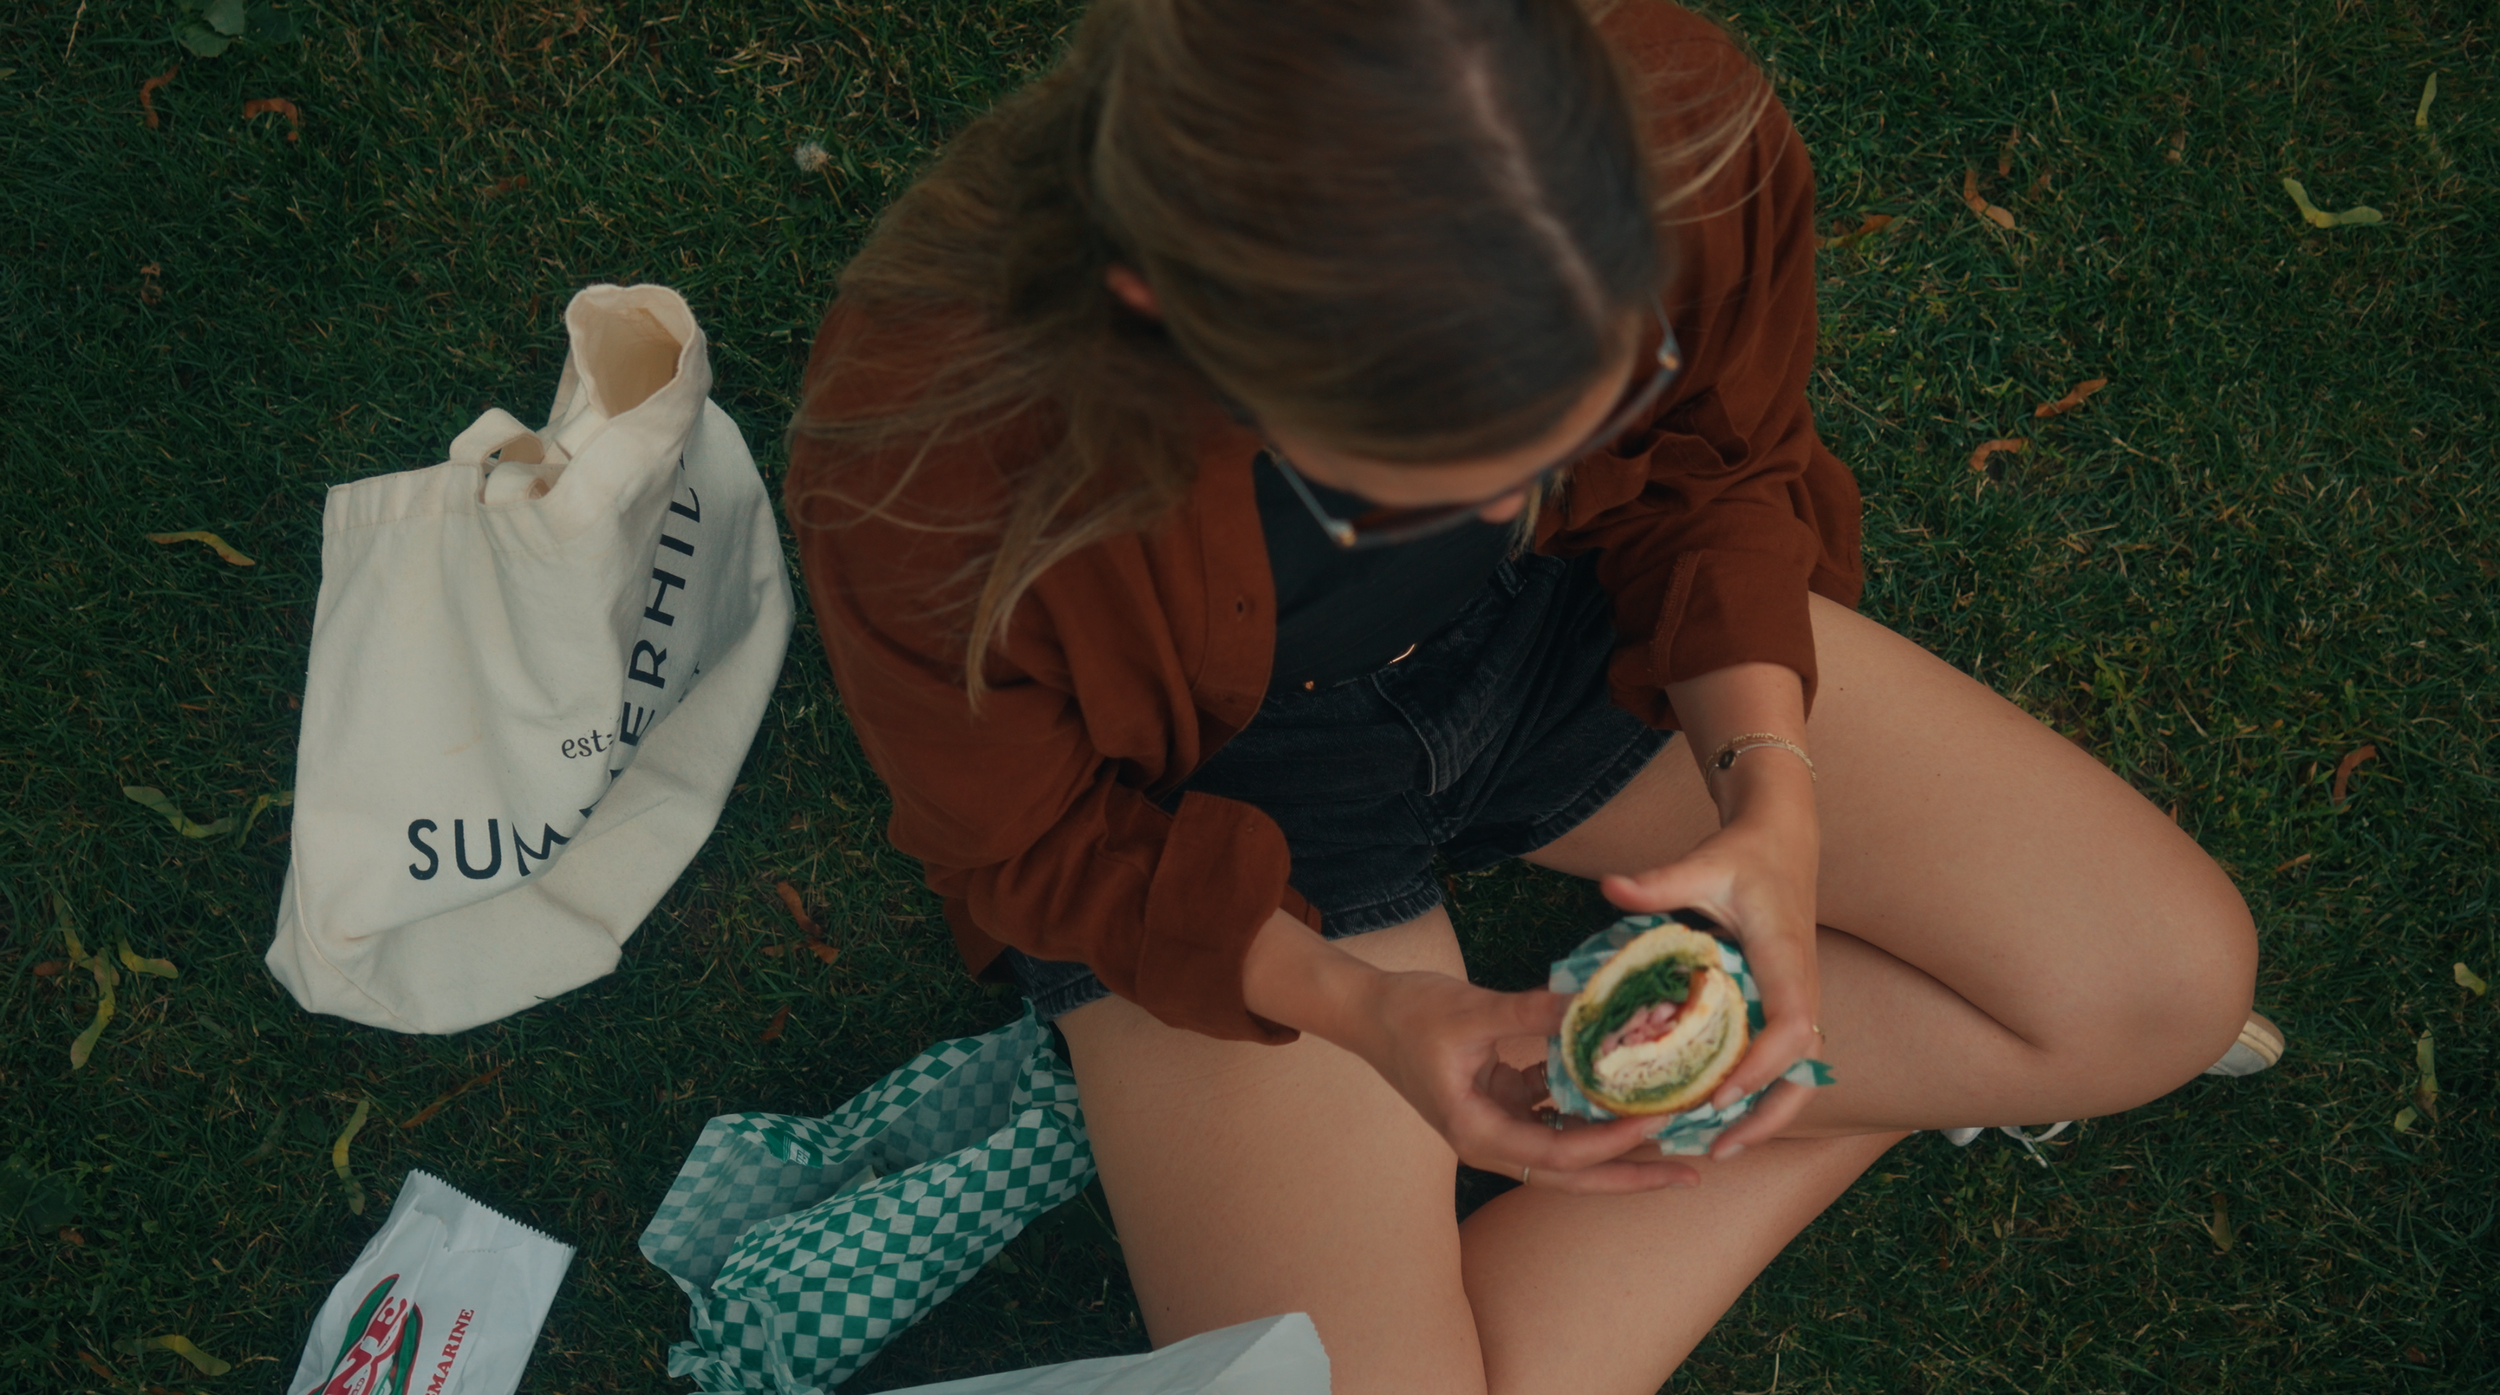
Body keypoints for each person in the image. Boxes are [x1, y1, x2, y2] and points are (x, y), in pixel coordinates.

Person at [785, 1, 2273, 1390]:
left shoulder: (1667, 117)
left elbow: (1718, 481)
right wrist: (1366, 1011)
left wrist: (1773, 787)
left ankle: (1740, 1065)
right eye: (1406, 491)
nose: (1507, 504)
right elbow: (1030, 840)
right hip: (1212, 805)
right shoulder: (932, 442)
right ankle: (1804, 1071)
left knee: (2163, 987)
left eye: (1590, 410)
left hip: (1576, 639)